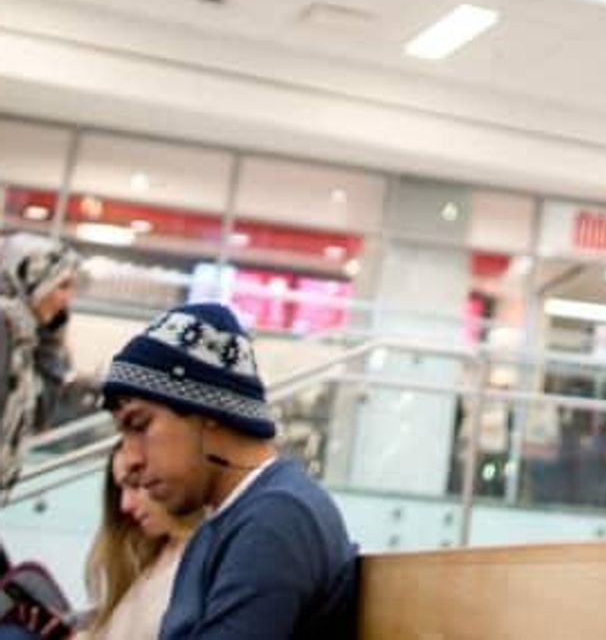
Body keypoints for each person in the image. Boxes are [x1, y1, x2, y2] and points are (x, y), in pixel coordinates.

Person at [100, 302, 356, 638]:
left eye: (140, 424)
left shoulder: (276, 518)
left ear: (208, 411)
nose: (131, 459)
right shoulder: (235, 518)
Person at [82, 446, 201, 640]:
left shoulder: (201, 560)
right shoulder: (147, 558)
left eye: (135, 485)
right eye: (121, 490)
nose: (125, 505)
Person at [1, 235, 79, 498]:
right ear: (34, 281)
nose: (67, 299)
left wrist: (50, 336)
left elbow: (41, 413)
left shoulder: (25, 337)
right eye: (62, 286)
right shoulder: (5, 328)